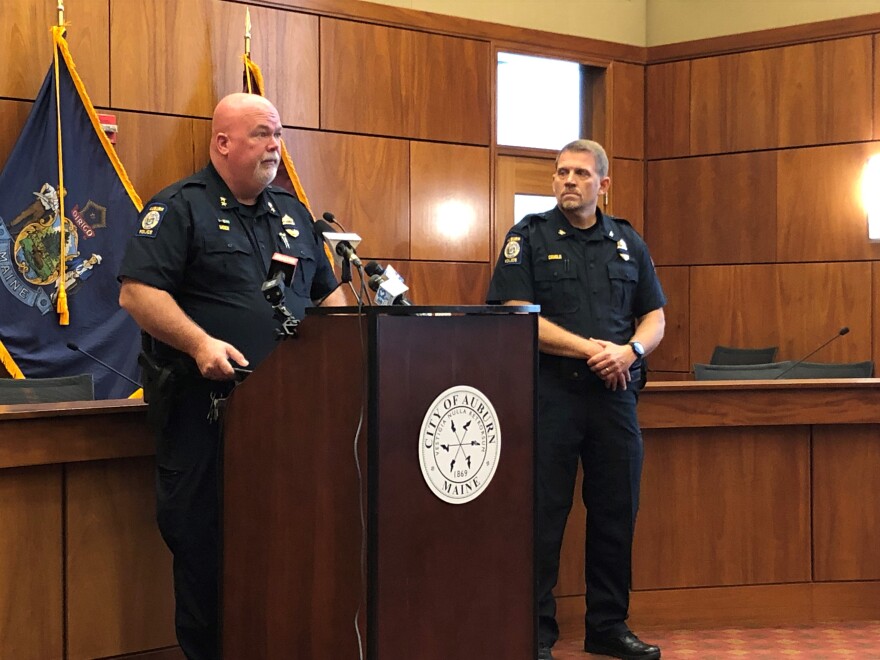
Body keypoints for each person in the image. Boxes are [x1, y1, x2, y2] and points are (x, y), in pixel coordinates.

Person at [118, 92, 346, 659]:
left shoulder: (292, 214)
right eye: (262, 134)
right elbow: (137, 293)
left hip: (290, 420)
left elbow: (330, 296)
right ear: (223, 143)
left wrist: (358, 350)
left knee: (287, 545)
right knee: (205, 548)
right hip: (208, 413)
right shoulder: (179, 208)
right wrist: (199, 344)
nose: (275, 146)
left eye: (278, 134)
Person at [486, 139, 666, 660]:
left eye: (581, 174)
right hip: (552, 396)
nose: (568, 180)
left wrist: (630, 351)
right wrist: (592, 349)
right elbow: (518, 312)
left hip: (615, 397)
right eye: (561, 172)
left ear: (602, 185)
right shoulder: (529, 238)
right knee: (544, 515)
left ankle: (608, 626)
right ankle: (536, 629)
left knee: (616, 513)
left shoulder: (629, 243)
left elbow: (655, 316)